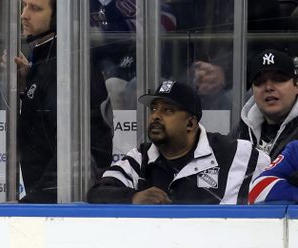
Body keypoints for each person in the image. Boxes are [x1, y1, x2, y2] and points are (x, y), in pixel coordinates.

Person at [14, 0, 113, 202]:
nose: (24, 15)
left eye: (35, 8)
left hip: (61, 208)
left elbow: (72, 156)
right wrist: (26, 85)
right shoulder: (46, 63)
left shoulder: (68, 70)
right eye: (24, 5)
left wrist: (31, 205)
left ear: (60, 17)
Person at [87, 80, 269, 204]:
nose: (155, 116)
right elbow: (98, 193)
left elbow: (275, 184)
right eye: (154, 109)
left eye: (167, 110)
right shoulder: (139, 158)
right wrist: (133, 197)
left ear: (190, 123)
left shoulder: (236, 153)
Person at [169, 0, 281, 108]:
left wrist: (225, 75)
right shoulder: (183, 3)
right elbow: (173, 61)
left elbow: (271, 54)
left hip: (244, 85)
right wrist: (195, 75)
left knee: (233, 99)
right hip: (195, 87)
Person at [238, 49, 298, 159]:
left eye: (278, 79)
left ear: (296, 85)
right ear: (252, 90)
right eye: (260, 82)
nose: (269, 87)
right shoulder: (240, 133)